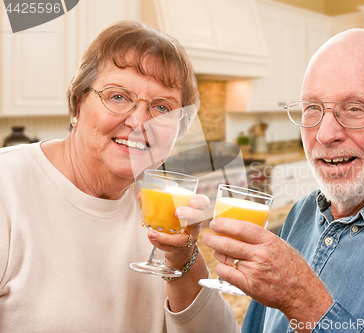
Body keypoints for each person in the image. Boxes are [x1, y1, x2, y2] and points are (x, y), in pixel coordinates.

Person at [157, 29, 364, 332]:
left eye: (354, 108)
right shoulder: (304, 212)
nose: (325, 134)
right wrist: (184, 262)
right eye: (312, 108)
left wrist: (305, 303)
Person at [0, 20, 237, 332]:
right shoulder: (8, 186)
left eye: (162, 108)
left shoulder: (161, 207)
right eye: (118, 96)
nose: (139, 121)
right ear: (77, 103)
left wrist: (184, 261)